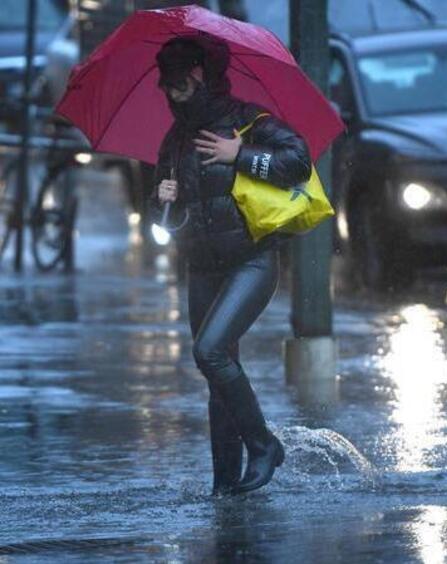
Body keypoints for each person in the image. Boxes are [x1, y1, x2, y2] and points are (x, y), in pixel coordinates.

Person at [148, 35, 312, 496]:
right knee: (217, 374)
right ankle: (225, 484)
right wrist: (160, 200)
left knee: (210, 353)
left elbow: (297, 161)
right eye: (167, 89)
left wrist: (239, 155)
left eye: (178, 87)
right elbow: (165, 221)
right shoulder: (175, 140)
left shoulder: (248, 121)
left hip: (251, 263)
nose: (172, 97)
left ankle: (263, 446)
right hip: (201, 266)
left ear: (200, 76)